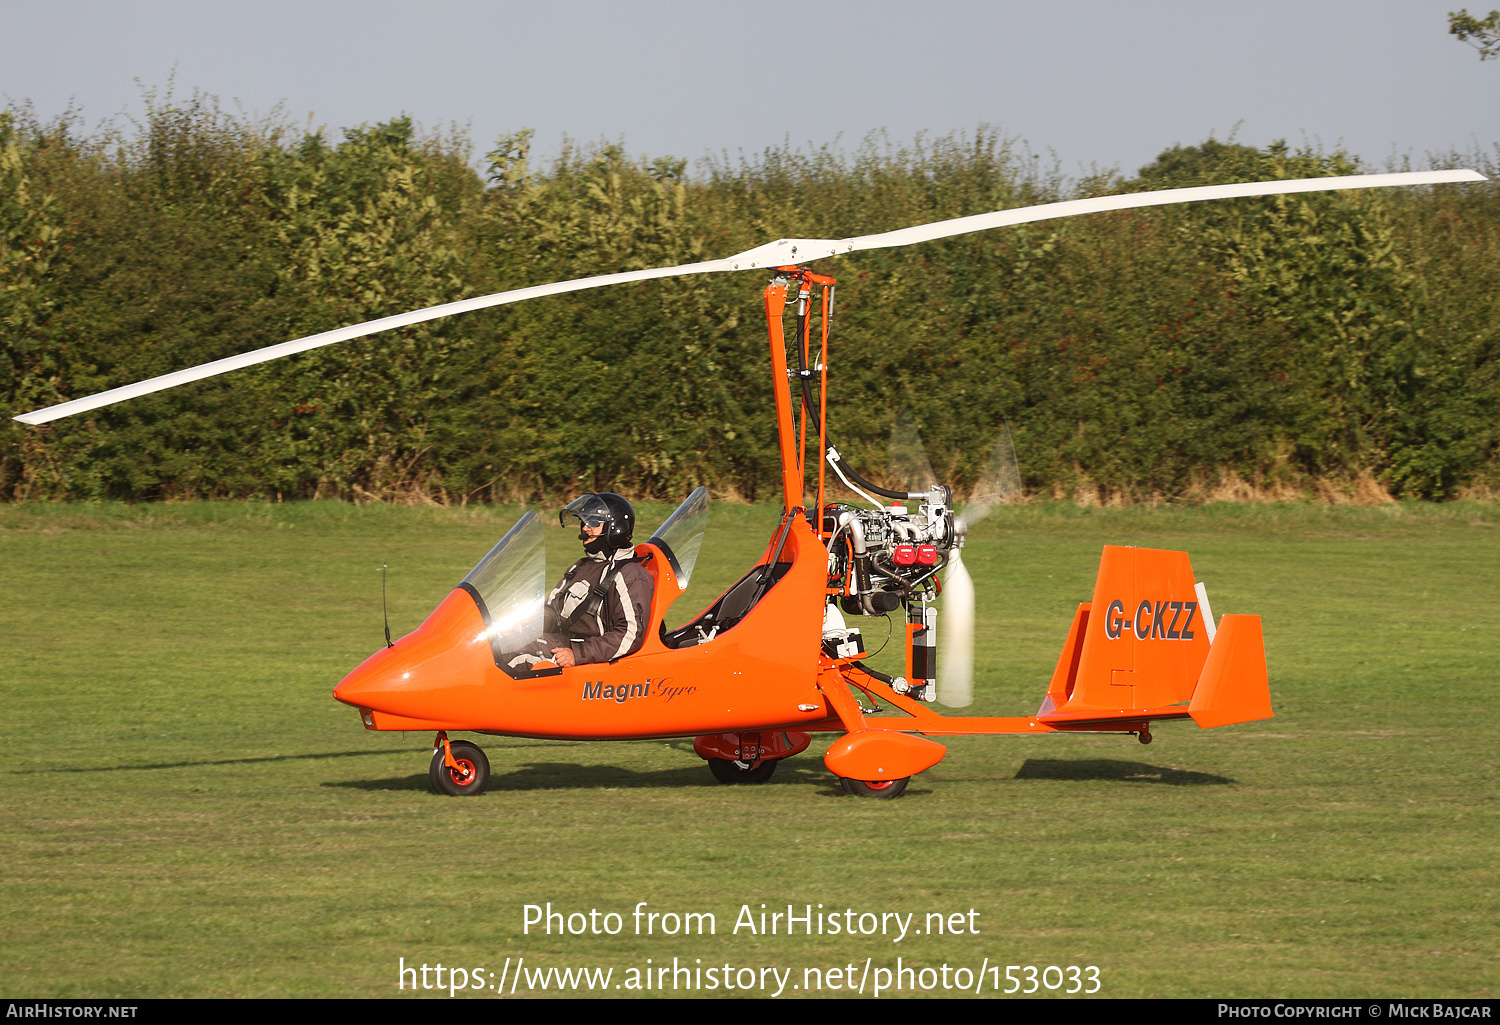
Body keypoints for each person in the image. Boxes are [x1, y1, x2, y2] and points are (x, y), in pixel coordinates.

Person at [502, 492, 655, 672]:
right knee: (498, 647)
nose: (584, 528)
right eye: (584, 522)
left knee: (511, 662)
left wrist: (578, 654)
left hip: (589, 660)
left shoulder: (630, 574)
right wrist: (521, 627)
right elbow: (551, 610)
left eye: (593, 523)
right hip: (562, 643)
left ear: (616, 528)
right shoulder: (581, 567)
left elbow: (630, 634)